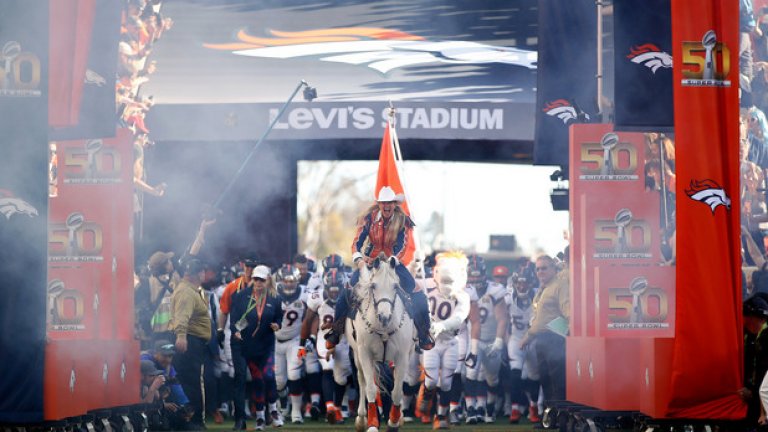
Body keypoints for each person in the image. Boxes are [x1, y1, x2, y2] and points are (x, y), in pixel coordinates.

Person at [325, 185, 433, 351]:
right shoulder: (368, 219)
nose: (386, 206)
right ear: (379, 204)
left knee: (418, 293)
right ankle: (336, 330)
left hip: (393, 263)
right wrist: (360, 260)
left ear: (394, 204)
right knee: (346, 290)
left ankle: (424, 334)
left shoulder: (403, 220)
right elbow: (356, 243)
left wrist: (393, 259)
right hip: (370, 262)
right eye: (383, 203)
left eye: (389, 202)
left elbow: (403, 246)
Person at [420, 252, 472, 429]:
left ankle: (441, 416)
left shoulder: (463, 297)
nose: (447, 286)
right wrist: (413, 266)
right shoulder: (428, 289)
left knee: (447, 382)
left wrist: (442, 326)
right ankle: (426, 393)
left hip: (451, 342)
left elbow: (459, 318)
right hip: (432, 342)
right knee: (432, 380)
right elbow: (409, 284)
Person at [229, 265, 283, 431]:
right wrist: (235, 331)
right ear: (252, 279)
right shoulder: (241, 296)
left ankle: (273, 410)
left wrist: (277, 325)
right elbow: (234, 319)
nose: (258, 282)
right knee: (258, 380)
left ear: (268, 280)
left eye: (262, 279)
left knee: (268, 376)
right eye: (256, 279)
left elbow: (279, 317)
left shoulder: (274, 297)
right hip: (249, 346)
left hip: (266, 344)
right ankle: (260, 418)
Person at [300, 267, 353, 425]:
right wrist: (301, 346)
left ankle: (336, 407)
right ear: (325, 287)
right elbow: (307, 320)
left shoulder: (350, 296)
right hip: (324, 339)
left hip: (343, 339)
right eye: (332, 289)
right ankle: (330, 407)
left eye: (338, 289)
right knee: (327, 368)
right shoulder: (317, 297)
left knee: (341, 378)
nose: (335, 293)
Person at [216, 253, 260, 430]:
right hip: (236, 337)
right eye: (248, 266)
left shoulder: (263, 288)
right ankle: (239, 418)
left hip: (257, 336)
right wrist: (220, 330)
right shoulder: (232, 287)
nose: (250, 269)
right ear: (243, 267)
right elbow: (224, 310)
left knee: (260, 375)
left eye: (253, 266)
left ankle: (268, 412)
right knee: (239, 375)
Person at [463, 254, 508, 424]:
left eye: (477, 274)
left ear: (484, 273)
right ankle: (471, 410)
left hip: (491, 340)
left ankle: (489, 407)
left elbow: (503, 318)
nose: (475, 279)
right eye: (471, 275)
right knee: (471, 373)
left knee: (492, 378)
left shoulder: (495, 290)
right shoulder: (463, 289)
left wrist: (498, 340)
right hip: (474, 339)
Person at [520, 255, 569, 405]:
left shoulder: (560, 285)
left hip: (556, 338)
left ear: (554, 269)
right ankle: (550, 415)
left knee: (557, 380)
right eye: (538, 269)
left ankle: (561, 415)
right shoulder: (543, 288)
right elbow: (539, 318)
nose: (540, 271)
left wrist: (571, 329)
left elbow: (568, 310)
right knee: (545, 379)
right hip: (542, 339)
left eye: (544, 268)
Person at [170, 258, 212, 430]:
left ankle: (190, 421)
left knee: (191, 381)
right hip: (191, 341)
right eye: (202, 270)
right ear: (196, 273)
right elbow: (182, 316)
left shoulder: (190, 290)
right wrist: (181, 336)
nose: (204, 273)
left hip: (193, 341)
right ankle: (194, 422)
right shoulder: (187, 292)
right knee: (193, 382)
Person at [504, 268, 541, 424]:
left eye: (524, 283)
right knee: (515, 374)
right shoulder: (508, 297)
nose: (521, 286)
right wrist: (504, 340)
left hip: (533, 340)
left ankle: (533, 407)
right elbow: (502, 318)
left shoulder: (540, 295)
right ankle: (514, 408)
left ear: (531, 283)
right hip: (516, 339)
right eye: (518, 283)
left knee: (534, 376)